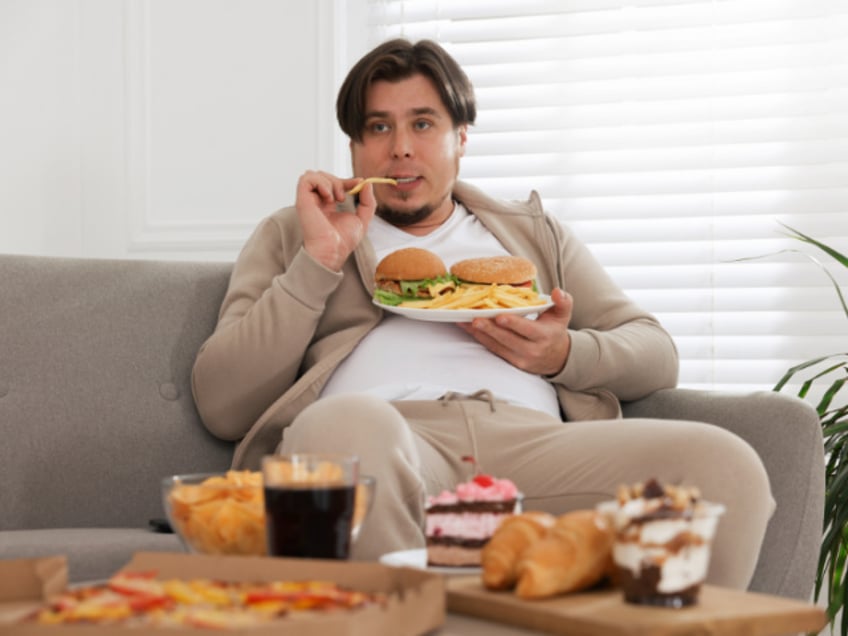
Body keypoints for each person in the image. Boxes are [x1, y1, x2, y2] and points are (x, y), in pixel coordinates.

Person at [192, 38, 774, 590]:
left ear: (460, 138)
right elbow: (223, 404)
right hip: (386, 441)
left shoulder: (532, 235)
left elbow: (655, 352)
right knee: (342, 432)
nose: (400, 148)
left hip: (534, 447)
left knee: (727, 468)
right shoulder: (296, 234)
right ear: (354, 149)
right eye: (378, 127)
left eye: (423, 123)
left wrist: (563, 354)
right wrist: (320, 260)